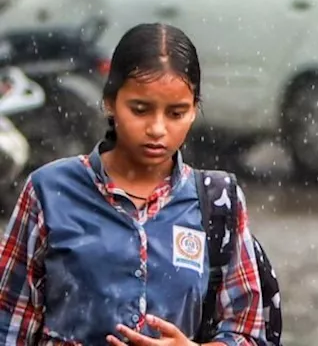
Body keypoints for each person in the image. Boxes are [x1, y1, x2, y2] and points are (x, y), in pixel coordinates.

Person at [0, 23, 270, 345]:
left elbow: (250, 333)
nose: (157, 129)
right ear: (109, 102)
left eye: (176, 113)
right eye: (140, 110)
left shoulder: (218, 202)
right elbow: (10, 327)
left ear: (195, 110)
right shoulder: (48, 192)